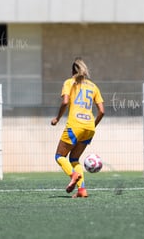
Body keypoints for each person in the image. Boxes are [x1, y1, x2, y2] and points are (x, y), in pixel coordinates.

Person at [51, 57, 105, 198]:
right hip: (89, 128)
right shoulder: (94, 87)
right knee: (74, 159)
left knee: (59, 156)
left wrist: (57, 118)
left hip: (75, 125)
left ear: (72, 71)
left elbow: (65, 102)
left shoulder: (69, 83)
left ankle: (73, 175)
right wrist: (92, 125)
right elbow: (102, 111)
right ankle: (82, 190)